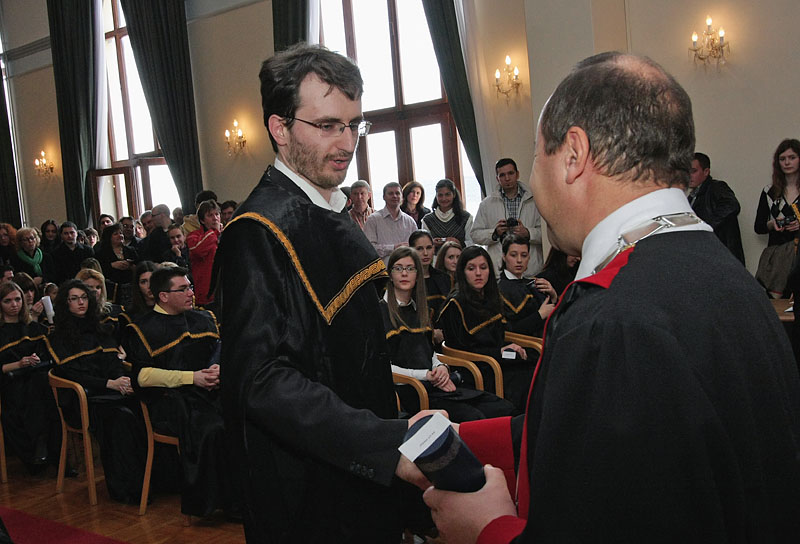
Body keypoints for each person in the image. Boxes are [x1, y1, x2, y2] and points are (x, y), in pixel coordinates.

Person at [423, 52, 800, 543]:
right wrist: (459, 439)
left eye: (537, 156)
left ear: (573, 154)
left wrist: (486, 529)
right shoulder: (728, 275)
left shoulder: (612, 320)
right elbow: (593, 431)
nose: (534, 180)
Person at [217, 43, 430, 543]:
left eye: (354, 125)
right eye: (328, 125)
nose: (346, 142)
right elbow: (260, 381)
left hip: (356, 468)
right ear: (280, 128)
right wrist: (381, 441)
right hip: (307, 490)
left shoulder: (327, 208)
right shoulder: (258, 229)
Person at [124, 267, 232, 517]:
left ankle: (247, 495)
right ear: (163, 296)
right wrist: (192, 378)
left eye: (190, 287)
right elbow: (142, 376)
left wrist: (218, 367)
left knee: (248, 416)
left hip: (211, 392)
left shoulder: (203, 318)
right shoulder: (142, 328)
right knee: (214, 428)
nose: (191, 293)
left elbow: (219, 350)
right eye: (183, 289)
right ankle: (216, 503)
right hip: (171, 401)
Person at [383, 247, 514, 422]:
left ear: (417, 275)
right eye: (398, 268)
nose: (404, 273)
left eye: (410, 268)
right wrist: (424, 375)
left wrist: (441, 367)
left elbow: (429, 352)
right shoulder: (380, 312)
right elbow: (383, 367)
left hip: (435, 384)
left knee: (503, 408)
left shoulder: (421, 310)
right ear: (390, 275)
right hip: (411, 391)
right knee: (474, 417)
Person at [46, 279, 145, 505]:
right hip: (83, 399)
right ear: (65, 303)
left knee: (145, 406)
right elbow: (73, 375)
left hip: (112, 391)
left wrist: (123, 380)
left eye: (84, 298)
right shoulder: (58, 337)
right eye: (74, 299)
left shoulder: (100, 328)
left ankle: (152, 479)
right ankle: (126, 488)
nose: (81, 303)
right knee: (121, 418)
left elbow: (112, 361)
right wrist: (110, 383)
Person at [437, 245, 532, 413]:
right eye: (471, 268)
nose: (478, 273)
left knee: (534, 363)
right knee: (523, 378)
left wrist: (509, 348)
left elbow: (499, 335)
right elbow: (460, 350)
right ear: (462, 272)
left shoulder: (492, 297)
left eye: (483, 267)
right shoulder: (455, 304)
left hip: (498, 358)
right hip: (476, 369)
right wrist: (500, 352)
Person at [0, 281, 60, 474]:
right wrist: (19, 364)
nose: (14, 305)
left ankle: (50, 450)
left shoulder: (32, 327)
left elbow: (48, 355)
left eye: (17, 299)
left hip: (36, 378)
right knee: (36, 391)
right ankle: (40, 447)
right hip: (10, 382)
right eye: (8, 301)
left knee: (44, 387)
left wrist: (35, 359)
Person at [471, 158, 544, 277]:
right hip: (499, 271)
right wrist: (494, 233)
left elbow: (546, 235)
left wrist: (528, 233)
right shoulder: (487, 204)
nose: (507, 178)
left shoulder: (534, 201)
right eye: (502, 175)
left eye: (510, 173)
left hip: (531, 270)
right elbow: (474, 235)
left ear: (517, 174)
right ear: (497, 178)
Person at [755, 139, 800, 296]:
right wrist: (772, 224)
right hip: (776, 257)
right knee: (774, 302)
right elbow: (758, 227)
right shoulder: (769, 191)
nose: (787, 162)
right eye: (782, 159)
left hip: (797, 255)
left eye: (792, 157)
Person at [688, 152, 744, 264]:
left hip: (721, 256)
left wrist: (706, 226)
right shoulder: (691, 197)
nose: (689, 176)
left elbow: (732, 205)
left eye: (693, 171)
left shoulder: (716, 187)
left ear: (706, 172)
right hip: (704, 255)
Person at [497, 235, 556, 337]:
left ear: (529, 258)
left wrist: (553, 295)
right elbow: (510, 330)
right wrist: (540, 315)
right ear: (504, 257)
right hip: (525, 344)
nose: (519, 260)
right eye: (513, 255)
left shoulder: (533, 282)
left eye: (524, 255)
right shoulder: (500, 289)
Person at [409, 230, 450, 342]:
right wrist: (431, 333)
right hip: (417, 340)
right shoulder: (407, 281)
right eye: (420, 249)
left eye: (429, 248)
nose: (425, 253)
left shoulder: (444, 279)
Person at [364, 182, 418, 264]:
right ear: (384, 197)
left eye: (397, 193)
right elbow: (369, 249)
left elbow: (416, 247)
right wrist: (393, 248)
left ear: (402, 196)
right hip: (383, 270)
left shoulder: (410, 221)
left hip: (407, 268)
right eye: (390, 193)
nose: (394, 196)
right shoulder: (373, 220)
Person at [75, 268, 130, 343]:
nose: (95, 291)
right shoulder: (72, 317)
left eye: (98, 287)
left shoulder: (115, 313)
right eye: (90, 287)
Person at [420, 179, 473, 250]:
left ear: (454, 195)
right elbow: (423, 246)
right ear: (436, 196)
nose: (444, 198)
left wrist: (459, 243)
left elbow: (472, 243)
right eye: (440, 195)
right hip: (436, 256)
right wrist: (432, 243)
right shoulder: (427, 220)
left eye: (447, 194)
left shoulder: (466, 218)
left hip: (461, 256)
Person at [186, 200, 221, 307]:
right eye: (210, 215)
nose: (215, 218)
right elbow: (198, 250)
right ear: (202, 220)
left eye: (217, 214)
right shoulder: (193, 236)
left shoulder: (226, 234)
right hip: (206, 294)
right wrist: (215, 232)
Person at [96, 223, 138, 307]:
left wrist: (131, 267)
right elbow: (99, 270)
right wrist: (112, 265)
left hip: (131, 288)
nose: (120, 235)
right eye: (116, 234)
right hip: (112, 290)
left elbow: (140, 265)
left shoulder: (131, 250)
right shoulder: (102, 253)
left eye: (121, 233)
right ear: (109, 237)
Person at [51, 221, 94, 286]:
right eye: (66, 233)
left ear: (76, 233)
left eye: (72, 232)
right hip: (66, 286)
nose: (69, 236)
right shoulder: (55, 253)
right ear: (61, 235)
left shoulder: (88, 250)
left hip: (86, 284)